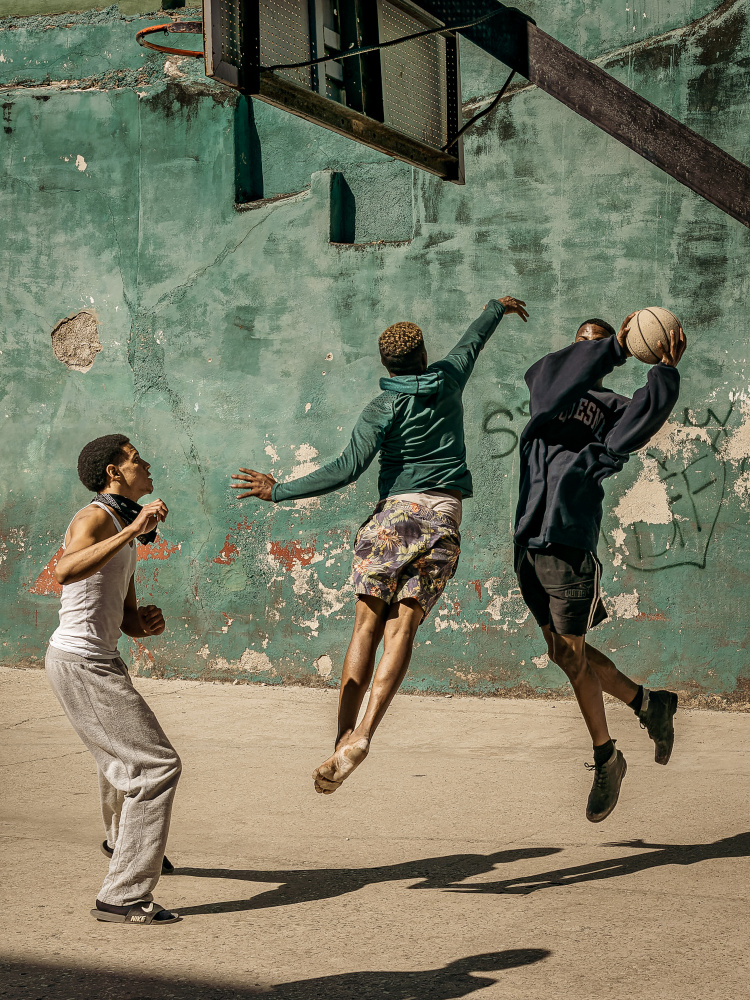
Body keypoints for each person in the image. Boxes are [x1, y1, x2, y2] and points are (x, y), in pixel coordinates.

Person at [232, 296, 529, 794]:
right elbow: (471, 341)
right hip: (442, 518)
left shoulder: (382, 407)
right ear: (423, 354)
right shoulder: (450, 378)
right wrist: (495, 307)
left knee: (366, 626)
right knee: (403, 629)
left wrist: (278, 490)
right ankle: (365, 735)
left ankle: (341, 737)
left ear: (385, 364)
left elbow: (346, 469)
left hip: (394, 517)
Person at [514, 315, 686, 822]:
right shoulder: (548, 385)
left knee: (569, 655)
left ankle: (606, 756)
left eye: (602, 343)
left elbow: (643, 419)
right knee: (564, 652)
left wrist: (663, 369)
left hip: (569, 539)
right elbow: (550, 376)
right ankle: (648, 704)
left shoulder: (611, 410)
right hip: (528, 539)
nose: (594, 351)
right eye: (586, 345)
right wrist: (614, 346)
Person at [45, 434, 181, 924]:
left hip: (98, 658)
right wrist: (132, 530)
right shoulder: (96, 517)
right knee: (156, 766)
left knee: (123, 758)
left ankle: (122, 842)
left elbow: (124, 617)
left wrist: (143, 622)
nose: (146, 463)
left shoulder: (121, 522)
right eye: (135, 459)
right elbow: (64, 570)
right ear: (113, 473)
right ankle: (122, 895)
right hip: (81, 662)